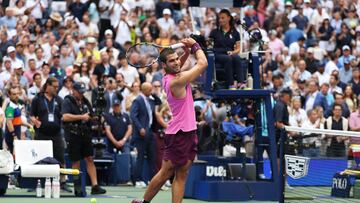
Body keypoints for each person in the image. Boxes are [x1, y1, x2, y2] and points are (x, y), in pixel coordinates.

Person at [132, 37, 207, 203]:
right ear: (164, 66)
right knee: (166, 173)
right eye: (171, 61)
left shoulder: (170, 75)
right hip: (179, 134)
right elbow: (203, 64)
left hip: (188, 131)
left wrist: (186, 52)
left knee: (181, 175)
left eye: (176, 59)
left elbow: (178, 65)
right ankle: (144, 202)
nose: (176, 62)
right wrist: (195, 46)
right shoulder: (176, 82)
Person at [61, 82, 106, 195]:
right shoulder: (68, 101)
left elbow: (90, 115)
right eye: (79, 92)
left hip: (85, 133)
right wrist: (81, 117)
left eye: (82, 92)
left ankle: (95, 186)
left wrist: (97, 116)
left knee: (90, 158)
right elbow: (64, 116)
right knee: (76, 160)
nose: (81, 94)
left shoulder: (85, 101)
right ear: (73, 90)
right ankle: (78, 186)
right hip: (73, 133)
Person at [29, 77, 71, 192]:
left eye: (58, 87)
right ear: (48, 86)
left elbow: (64, 116)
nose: (56, 89)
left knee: (60, 157)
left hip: (56, 134)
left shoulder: (59, 100)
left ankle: (63, 182)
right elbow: (31, 114)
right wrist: (35, 121)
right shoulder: (38, 99)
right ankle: (37, 183)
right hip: (41, 134)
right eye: (55, 87)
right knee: (39, 158)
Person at [130, 82, 156, 188]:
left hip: (149, 131)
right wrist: (140, 127)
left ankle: (152, 179)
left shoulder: (150, 100)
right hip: (140, 133)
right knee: (140, 157)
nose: (151, 92)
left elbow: (158, 102)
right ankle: (138, 180)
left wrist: (153, 95)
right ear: (144, 90)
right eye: (150, 90)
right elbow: (133, 115)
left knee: (152, 157)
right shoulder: (138, 100)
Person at [209, 9, 243, 89]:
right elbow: (209, 45)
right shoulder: (214, 32)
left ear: (229, 18)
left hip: (229, 53)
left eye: (223, 18)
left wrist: (233, 52)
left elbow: (238, 49)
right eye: (219, 18)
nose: (220, 20)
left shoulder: (235, 33)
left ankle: (240, 83)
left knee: (237, 58)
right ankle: (230, 84)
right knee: (228, 59)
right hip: (217, 54)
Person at [4, 86, 22, 154]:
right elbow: (9, 122)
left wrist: (28, 125)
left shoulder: (17, 105)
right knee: (13, 157)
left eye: (18, 93)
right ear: (10, 95)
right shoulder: (10, 108)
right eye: (14, 94)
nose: (17, 96)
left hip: (17, 135)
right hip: (11, 137)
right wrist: (14, 136)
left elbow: (18, 120)